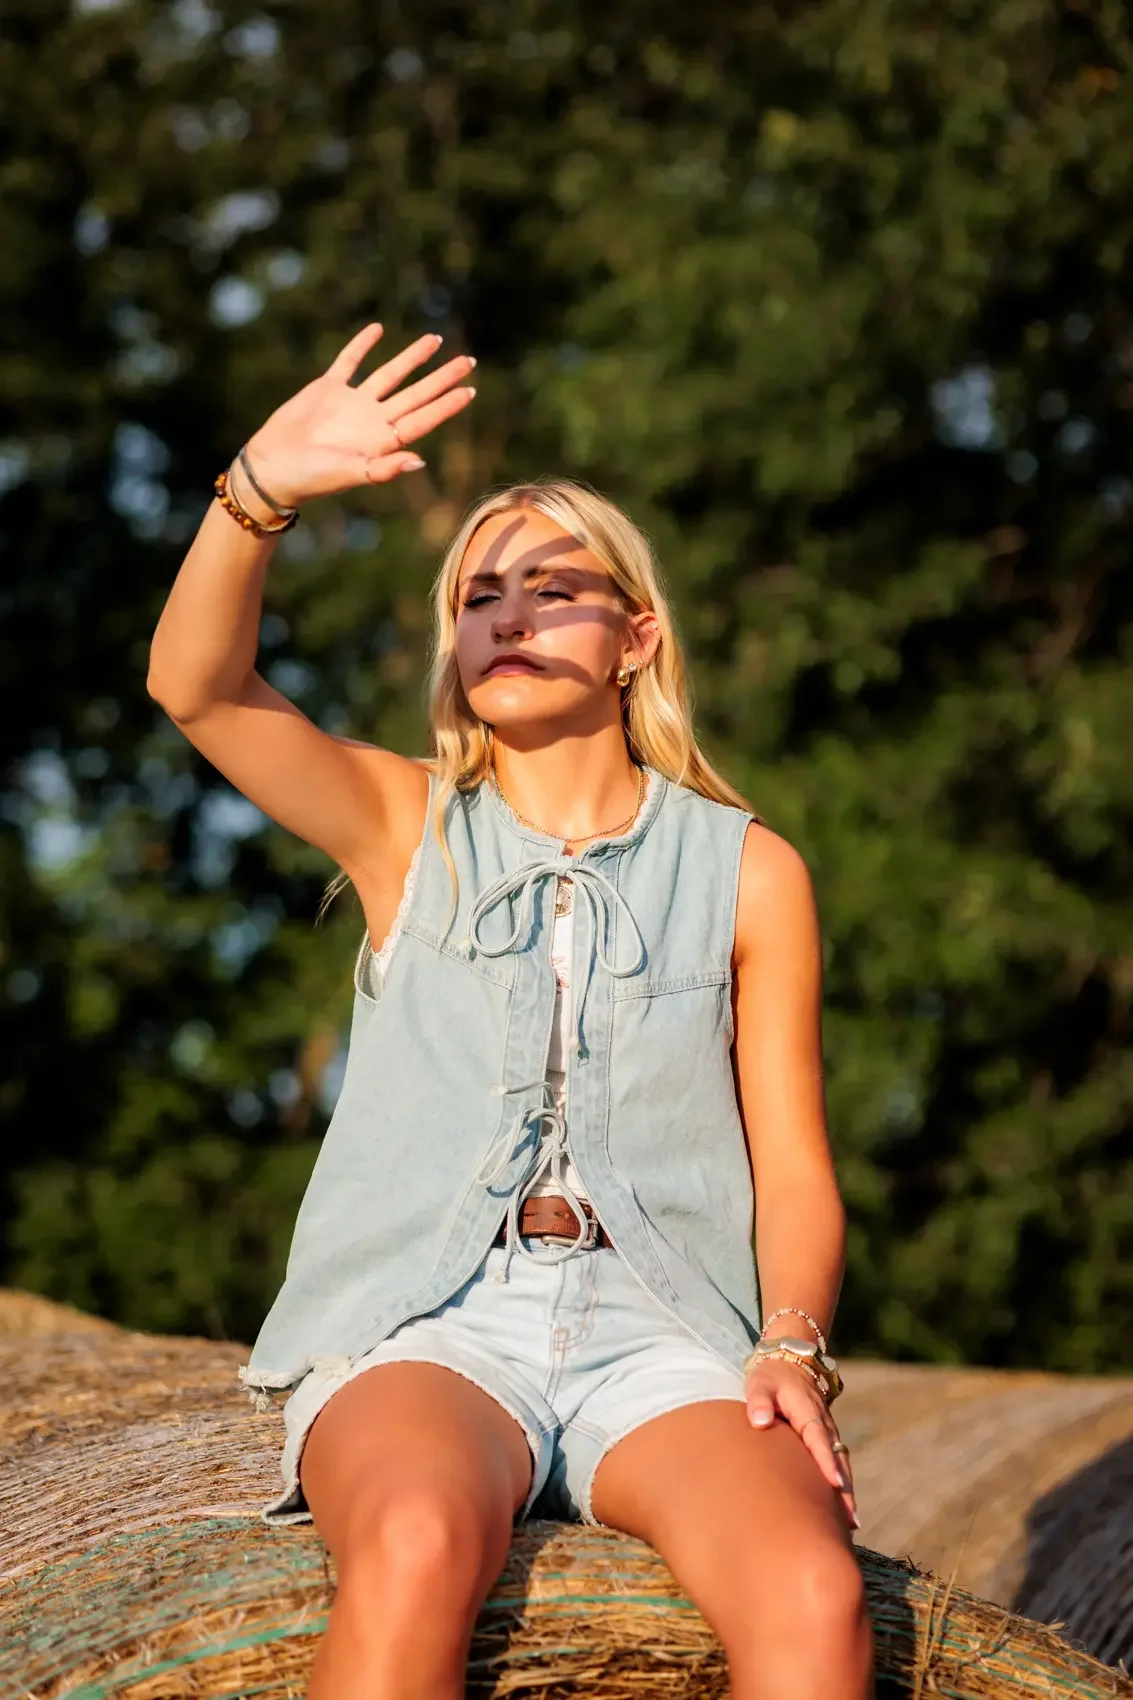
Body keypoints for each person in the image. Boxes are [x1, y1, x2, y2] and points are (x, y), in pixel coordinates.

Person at [148, 323, 875, 1700]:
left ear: (636, 638)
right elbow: (196, 688)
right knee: (418, 1539)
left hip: (665, 1330)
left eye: (555, 586)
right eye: (481, 595)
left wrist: (790, 1343)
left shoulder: (749, 871)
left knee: (814, 1592)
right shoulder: (405, 824)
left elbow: (793, 1163)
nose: (512, 612)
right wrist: (257, 491)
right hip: (435, 1319)